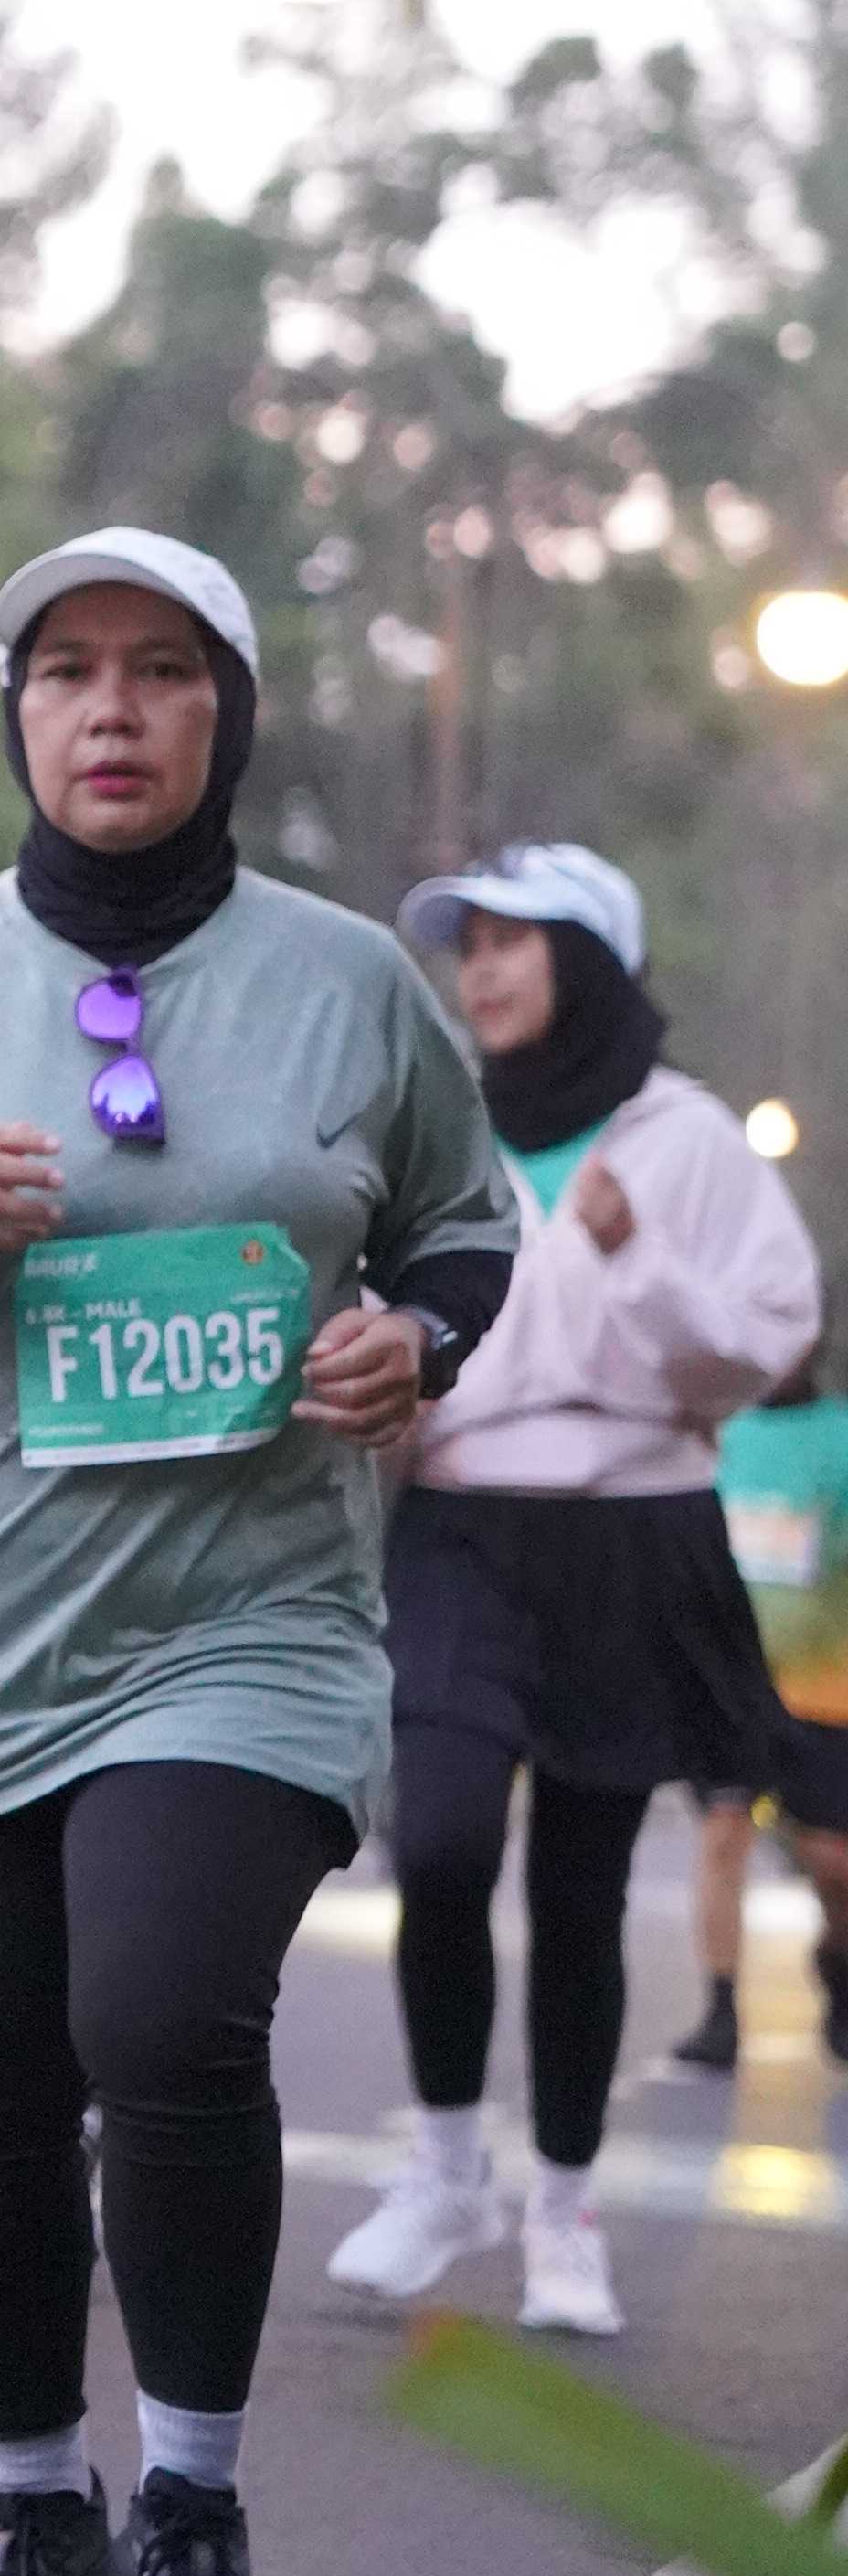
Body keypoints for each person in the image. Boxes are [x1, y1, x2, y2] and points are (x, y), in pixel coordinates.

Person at [0, 531, 514, 2576]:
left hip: (240, 1620)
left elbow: (464, 1231)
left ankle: (189, 2505)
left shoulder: (351, 981)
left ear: (226, 714)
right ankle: (31, 2505)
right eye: (66, 670)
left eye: (162, 670)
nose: (109, 709)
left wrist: (410, 1343)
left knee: (164, 2016)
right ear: (16, 712)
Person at [327, 846, 822, 2336]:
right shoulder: (442, 1125)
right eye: (467, 946)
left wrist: (639, 1256)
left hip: (631, 1525)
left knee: (582, 1891)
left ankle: (563, 2207)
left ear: (592, 961)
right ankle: (444, 2167)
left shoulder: (689, 1139)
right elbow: (369, 1299)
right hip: (459, 1522)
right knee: (440, 1835)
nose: (479, 971)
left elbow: (771, 1343)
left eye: (513, 942)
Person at [689, 1364, 848, 2069]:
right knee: (724, 1836)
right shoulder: (717, 1436)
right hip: (732, 1691)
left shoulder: (840, 1436)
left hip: (825, 1692)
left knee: (834, 1863)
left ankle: (838, 1965)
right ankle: (721, 2008)